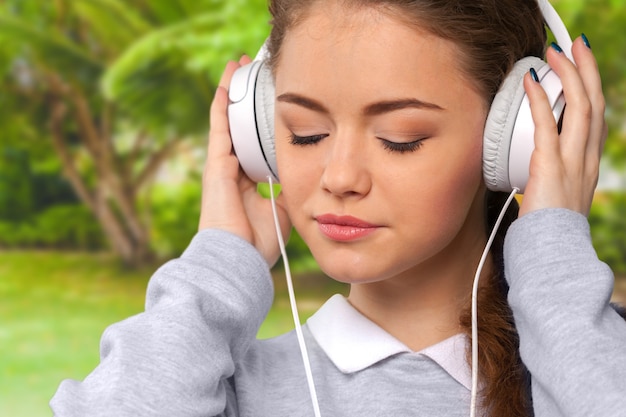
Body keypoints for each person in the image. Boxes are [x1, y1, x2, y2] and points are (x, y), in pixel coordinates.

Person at [50, 0, 626, 416]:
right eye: (304, 133)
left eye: (400, 138)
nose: (339, 177)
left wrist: (553, 254)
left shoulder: (590, 357)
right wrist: (219, 267)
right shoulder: (214, 388)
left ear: (520, 138)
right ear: (259, 137)